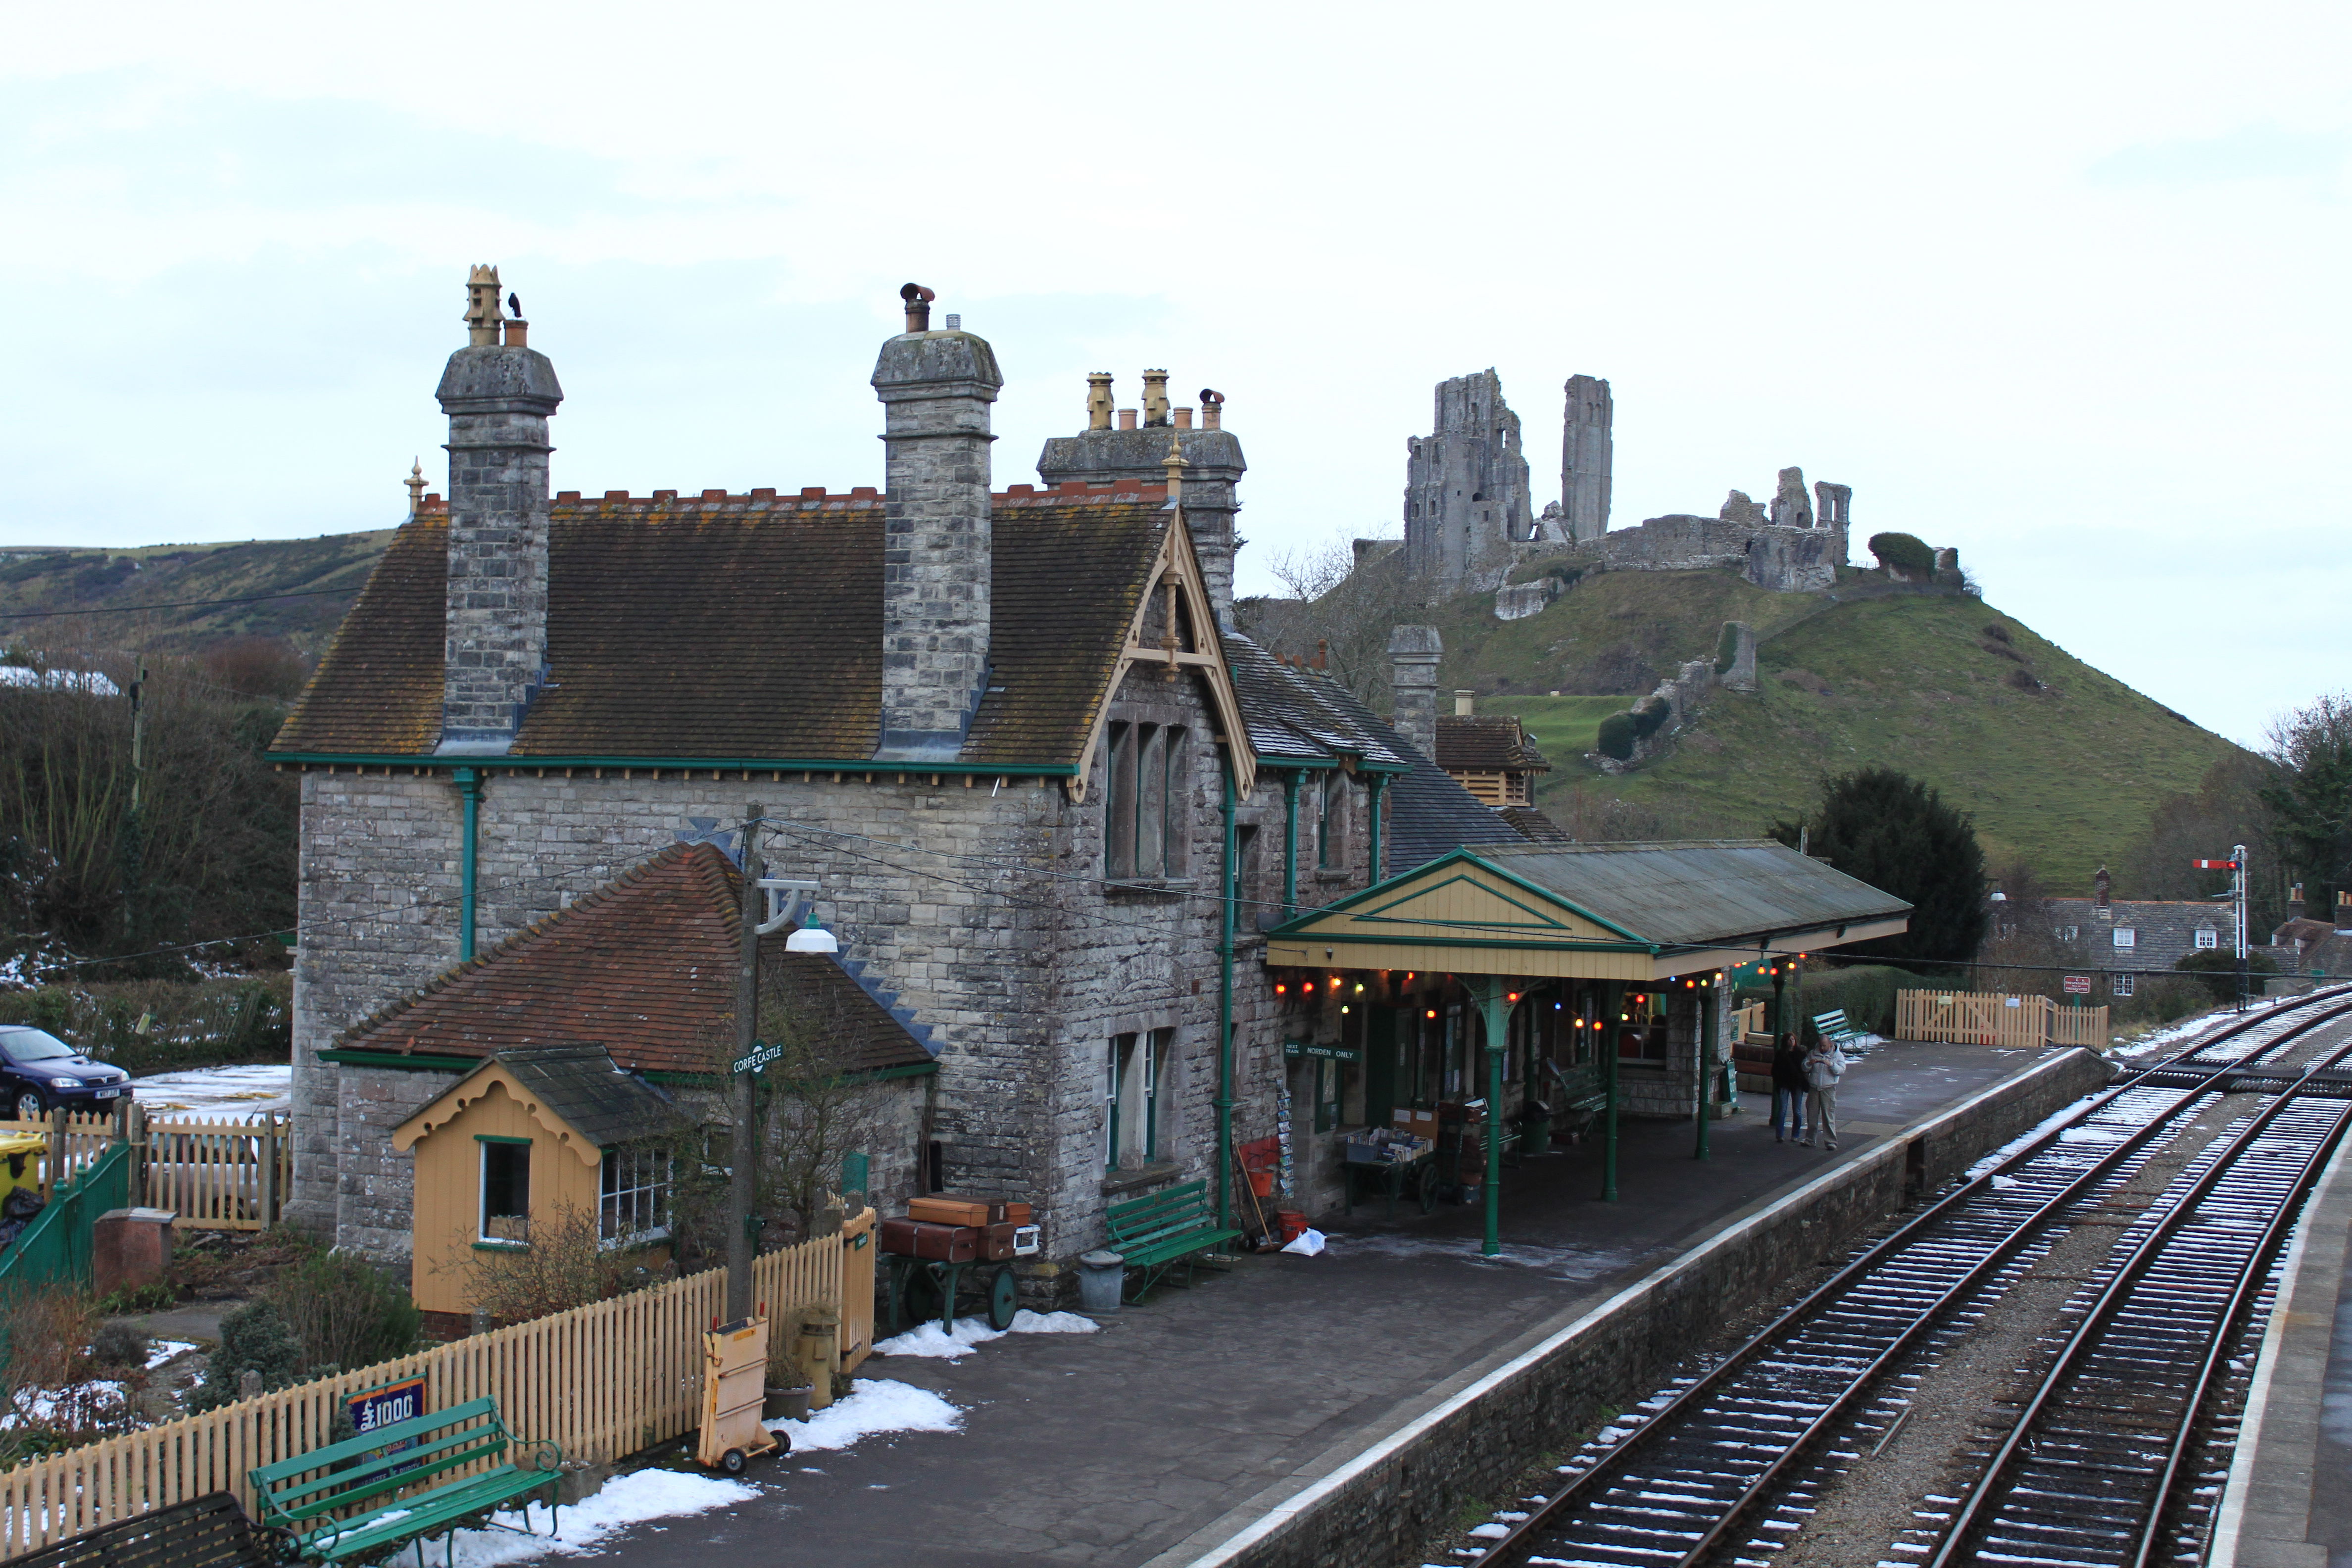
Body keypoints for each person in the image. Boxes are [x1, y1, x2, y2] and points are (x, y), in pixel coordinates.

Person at [1803, 1031, 1848, 1150]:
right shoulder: (1813, 1053)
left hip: (1828, 1088)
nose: (1822, 1048)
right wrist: (1809, 1064)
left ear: (1830, 1044)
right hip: (1814, 1088)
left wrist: (1830, 1064)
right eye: (1821, 1045)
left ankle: (1831, 1142)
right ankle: (1810, 1139)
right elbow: (1804, 1067)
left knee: (1828, 1116)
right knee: (1812, 1116)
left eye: (1825, 1046)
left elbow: (1841, 1070)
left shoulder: (1837, 1055)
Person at [1770, 1033, 1809, 1144]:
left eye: (1793, 1040)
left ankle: (1795, 1134)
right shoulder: (1781, 1054)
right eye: (1789, 1040)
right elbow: (1775, 1070)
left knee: (1797, 1111)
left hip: (1797, 1084)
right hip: (1785, 1084)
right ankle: (1780, 1134)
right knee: (1783, 1110)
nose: (1792, 1042)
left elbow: (1805, 1068)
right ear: (1785, 1042)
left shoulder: (1800, 1053)